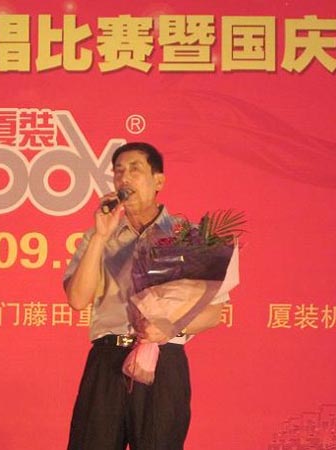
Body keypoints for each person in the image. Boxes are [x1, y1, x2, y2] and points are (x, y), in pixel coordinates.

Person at [64, 142, 228, 450]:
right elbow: (77, 299)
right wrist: (100, 236)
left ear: (159, 181)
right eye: (118, 172)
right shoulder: (98, 236)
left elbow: (214, 312)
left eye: (135, 169)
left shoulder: (189, 236)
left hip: (163, 362)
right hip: (107, 359)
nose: (124, 178)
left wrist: (169, 326)